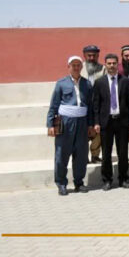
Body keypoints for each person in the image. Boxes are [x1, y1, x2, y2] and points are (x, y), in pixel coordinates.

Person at [47, 56, 95, 196]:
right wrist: (50, 124)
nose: (76, 67)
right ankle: (61, 183)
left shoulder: (87, 84)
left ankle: (79, 183)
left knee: (81, 154)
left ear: (81, 67)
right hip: (66, 122)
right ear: (68, 67)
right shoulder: (61, 84)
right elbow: (54, 105)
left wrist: (90, 124)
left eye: (78, 65)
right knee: (62, 154)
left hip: (82, 122)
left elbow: (90, 106)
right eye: (73, 65)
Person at [92, 53, 129, 191]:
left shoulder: (125, 81)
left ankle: (123, 179)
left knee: (123, 153)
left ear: (117, 64)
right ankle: (107, 180)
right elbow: (96, 104)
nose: (111, 66)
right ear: (105, 65)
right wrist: (96, 122)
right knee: (106, 153)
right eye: (109, 63)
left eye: (114, 63)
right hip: (106, 122)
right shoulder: (99, 82)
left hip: (122, 122)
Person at [81, 44, 104, 163]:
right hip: (83, 104)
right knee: (83, 131)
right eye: (89, 55)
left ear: (98, 55)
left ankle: (95, 155)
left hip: (98, 105)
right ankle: (83, 156)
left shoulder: (103, 69)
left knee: (98, 130)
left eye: (94, 55)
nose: (91, 58)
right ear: (84, 55)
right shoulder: (79, 67)